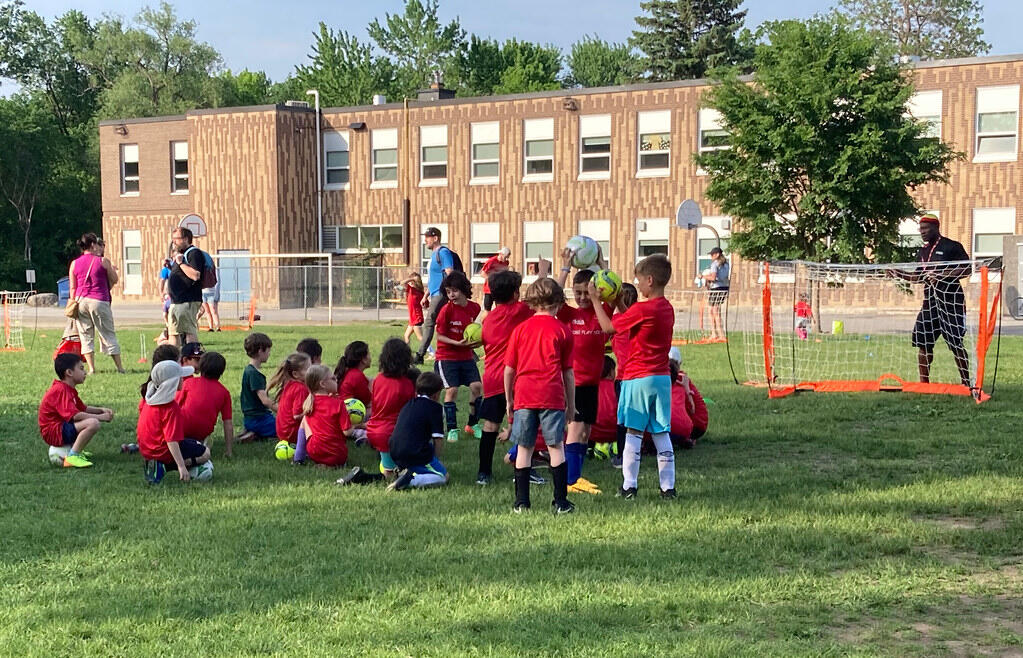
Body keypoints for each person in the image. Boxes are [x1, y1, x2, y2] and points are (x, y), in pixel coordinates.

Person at [591, 254, 677, 500]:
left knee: (633, 433)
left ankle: (629, 485)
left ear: (649, 280)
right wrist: (619, 302)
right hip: (661, 378)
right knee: (661, 433)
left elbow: (609, 327)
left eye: (639, 280)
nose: (637, 285)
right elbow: (632, 320)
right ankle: (667, 488)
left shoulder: (643, 308)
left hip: (637, 377)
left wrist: (598, 301)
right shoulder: (666, 307)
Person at [504, 277, 575, 514]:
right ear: (558, 302)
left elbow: (509, 370)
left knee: (524, 448)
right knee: (556, 447)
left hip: (524, 394)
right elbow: (568, 373)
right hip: (552, 395)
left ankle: (521, 503)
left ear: (532, 302)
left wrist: (509, 399)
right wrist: (570, 404)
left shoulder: (520, 330)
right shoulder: (563, 330)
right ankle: (561, 502)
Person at [892, 213, 972, 388]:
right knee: (923, 343)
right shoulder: (923, 251)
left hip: (951, 304)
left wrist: (943, 276)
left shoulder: (952, 246)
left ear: (936, 227)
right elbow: (918, 277)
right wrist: (899, 273)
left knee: (956, 343)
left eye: (926, 228)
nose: (922, 232)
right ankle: (924, 385)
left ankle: (966, 383)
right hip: (929, 304)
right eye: (920, 229)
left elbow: (967, 269)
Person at [556, 251, 613, 495]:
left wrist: (602, 266)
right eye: (577, 293)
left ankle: (575, 475)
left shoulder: (601, 312)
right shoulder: (569, 314)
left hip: (593, 382)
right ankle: (570, 480)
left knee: (585, 432)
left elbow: (615, 287)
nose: (581, 298)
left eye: (585, 293)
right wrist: (565, 268)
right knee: (575, 429)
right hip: (573, 383)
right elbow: (552, 296)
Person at [477, 269, 534, 486]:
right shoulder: (519, 310)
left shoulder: (489, 318)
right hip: (515, 379)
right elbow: (545, 298)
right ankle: (522, 469)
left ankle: (483, 473)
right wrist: (545, 272)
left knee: (490, 425)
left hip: (491, 378)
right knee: (523, 425)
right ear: (515, 294)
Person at [139, 360, 212, 484]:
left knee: (194, 442)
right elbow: (171, 440)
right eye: (180, 378)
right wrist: (181, 466)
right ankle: (165, 467)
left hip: (147, 450)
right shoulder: (170, 408)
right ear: (172, 383)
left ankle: (156, 464)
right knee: (205, 452)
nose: (183, 380)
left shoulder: (150, 400)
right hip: (162, 451)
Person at [38, 353, 114, 468]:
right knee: (93, 423)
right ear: (69, 372)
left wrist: (101, 410)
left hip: (60, 426)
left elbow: (83, 408)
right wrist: (101, 418)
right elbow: (75, 415)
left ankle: (75, 451)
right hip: (53, 431)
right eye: (81, 368)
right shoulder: (61, 390)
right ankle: (73, 456)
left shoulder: (69, 389)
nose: (85, 372)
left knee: (90, 420)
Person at [433, 271, 483, 442]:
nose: (451, 295)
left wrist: (477, 343)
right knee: (451, 390)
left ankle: (472, 424)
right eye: (448, 291)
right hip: (447, 356)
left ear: (463, 290)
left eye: (454, 290)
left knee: (476, 387)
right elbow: (439, 336)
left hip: (466, 356)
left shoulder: (474, 308)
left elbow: (476, 333)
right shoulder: (446, 310)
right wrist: (457, 344)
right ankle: (452, 428)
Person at [68, 233, 124, 374]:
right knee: (108, 333)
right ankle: (119, 368)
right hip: (99, 300)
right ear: (93, 245)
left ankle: (92, 368)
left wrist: (73, 302)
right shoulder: (102, 261)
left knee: (85, 335)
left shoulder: (74, 263)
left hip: (80, 301)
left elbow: (73, 287)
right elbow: (115, 279)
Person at [362, 339, 417, 480]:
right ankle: (364, 478)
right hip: (394, 434)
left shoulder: (378, 379)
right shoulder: (406, 385)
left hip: (374, 430)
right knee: (392, 476)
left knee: (389, 469)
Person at [387, 372, 450, 491]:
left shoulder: (408, 404)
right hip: (414, 453)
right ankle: (410, 481)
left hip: (394, 451)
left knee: (428, 447)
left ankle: (405, 471)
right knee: (443, 477)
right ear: (436, 394)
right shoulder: (436, 408)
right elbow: (438, 439)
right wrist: (436, 461)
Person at [176, 351, 235, 457]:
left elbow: (175, 405)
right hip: (202, 432)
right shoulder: (224, 392)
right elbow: (228, 423)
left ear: (201, 367)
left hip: (182, 429)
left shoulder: (188, 383)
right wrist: (229, 451)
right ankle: (200, 444)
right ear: (221, 372)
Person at [414, 226, 457, 364]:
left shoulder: (443, 253)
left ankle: (420, 355)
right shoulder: (434, 255)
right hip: (434, 293)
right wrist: (425, 295)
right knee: (445, 324)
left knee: (429, 322)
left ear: (436, 238)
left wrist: (449, 292)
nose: (425, 240)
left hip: (441, 294)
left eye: (427, 237)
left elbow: (450, 272)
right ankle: (470, 354)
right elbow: (434, 278)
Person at [300, 364, 355, 467]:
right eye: (333, 378)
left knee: (307, 425)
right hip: (337, 454)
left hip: (314, 451)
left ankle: (301, 457)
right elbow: (347, 432)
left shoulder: (309, 403)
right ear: (323, 384)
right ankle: (331, 464)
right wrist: (356, 425)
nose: (337, 380)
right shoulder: (338, 404)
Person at [610, 282, 638, 468]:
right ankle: (637, 452)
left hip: (623, 377)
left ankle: (622, 456)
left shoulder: (617, 321)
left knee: (623, 420)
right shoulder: (638, 319)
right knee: (638, 419)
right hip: (640, 375)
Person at [166, 226, 205, 346]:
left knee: (189, 332)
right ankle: (174, 360)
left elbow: (195, 275)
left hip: (187, 300)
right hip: (176, 300)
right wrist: (170, 266)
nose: (174, 242)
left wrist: (180, 263)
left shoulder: (194, 253)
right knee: (173, 333)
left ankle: (193, 358)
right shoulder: (181, 255)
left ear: (186, 239)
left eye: (177, 239)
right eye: (173, 239)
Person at [238, 332, 276, 441]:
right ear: (260, 351)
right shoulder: (255, 374)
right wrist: (281, 411)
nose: (269, 354)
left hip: (251, 419)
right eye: (268, 351)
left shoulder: (248, 370)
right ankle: (254, 434)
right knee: (285, 429)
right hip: (259, 419)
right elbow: (265, 400)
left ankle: (252, 433)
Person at [269, 352, 312, 446]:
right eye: (308, 369)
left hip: (283, 433)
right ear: (295, 374)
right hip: (292, 435)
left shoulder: (289, 384)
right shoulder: (301, 389)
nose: (311, 371)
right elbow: (296, 416)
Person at [589, 356, 619, 457]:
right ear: (611, 372)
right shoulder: (617, 388)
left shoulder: (590, 388)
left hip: (592, 434)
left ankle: (589, 448)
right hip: (615, 433)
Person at [702, 246, 729, 341]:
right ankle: (716, 333)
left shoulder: (714, 264)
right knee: (714, 310)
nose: (711, 256)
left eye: (712, 255)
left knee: (713, 311)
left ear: (717, 255)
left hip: (716, 288)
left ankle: (718, 334)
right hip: (724, 288)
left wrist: (702, 276)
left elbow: (713, 278)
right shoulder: (726, 264)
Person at [335, 341, 372, 407]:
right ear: (363, 359)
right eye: (369, 354)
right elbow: (368, 401)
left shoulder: (349, 372)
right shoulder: (357, 376)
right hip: (348, 412)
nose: (370, 357)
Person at [480, 246, 512, 312]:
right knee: (487, 310)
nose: (506, 259)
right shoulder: (491, 261)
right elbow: (482, 273)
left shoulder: (506, 263)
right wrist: (492, 279)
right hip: (489, 289)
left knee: (500, 308)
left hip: (499, 289)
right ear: (501, 254)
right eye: (506, 257)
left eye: (507, 257)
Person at [402, 271, 426, 346]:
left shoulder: (414, 291)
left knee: (420, 338)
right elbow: (403, 283)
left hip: (416, 319)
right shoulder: (414, 291)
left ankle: (432, 352)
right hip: (413, 319)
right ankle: (406, 352)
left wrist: (412, 279)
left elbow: (402, 283)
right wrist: (412, 279)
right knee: (406, 336)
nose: (410, 282)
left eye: (412, 281)